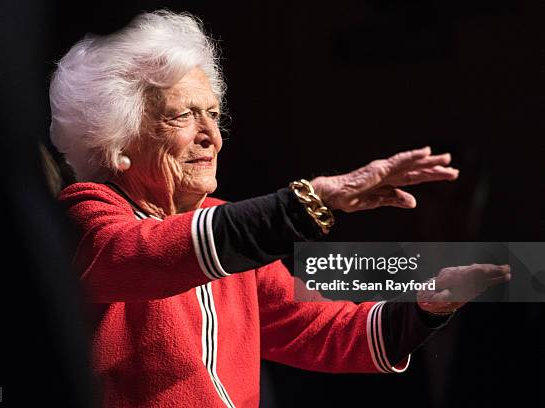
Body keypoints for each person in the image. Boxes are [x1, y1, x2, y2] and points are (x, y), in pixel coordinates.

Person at [50, 10, 511, 408]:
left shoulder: (220, 225)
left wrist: (424, 307)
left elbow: (324, 330)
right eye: (184, 115)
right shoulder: (87, 216)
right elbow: (148, 252)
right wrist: (316, 199)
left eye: (213, 113)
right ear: (118, 139)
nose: (212, 134)